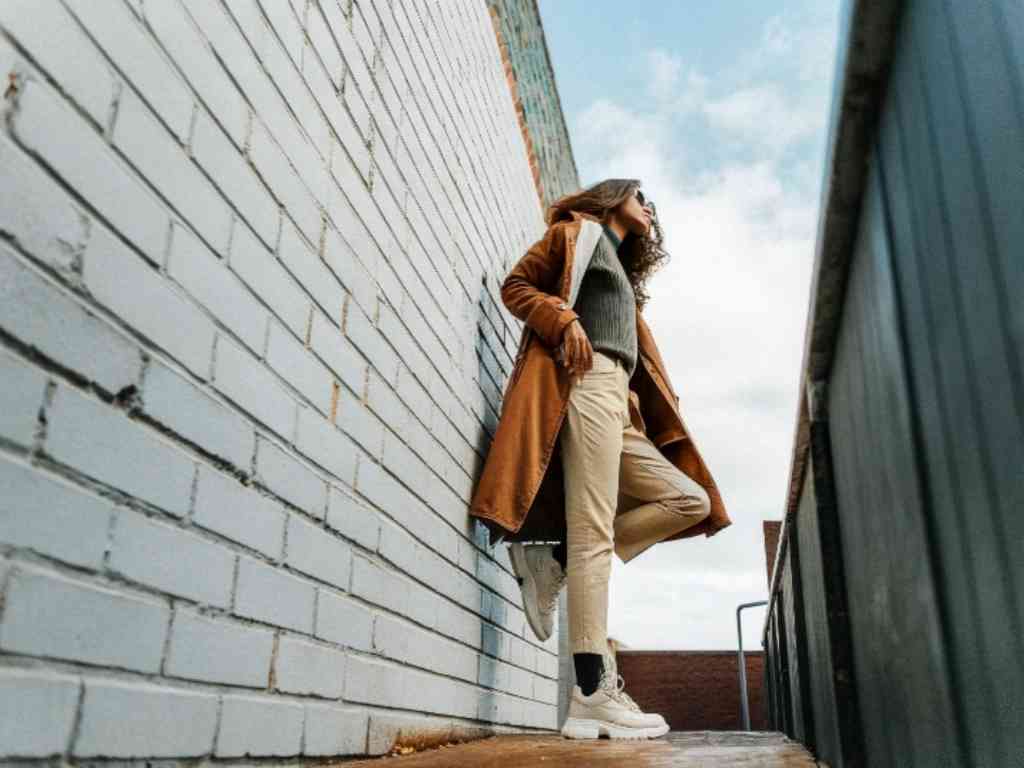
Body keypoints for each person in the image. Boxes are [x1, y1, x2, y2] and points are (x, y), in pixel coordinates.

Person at [496, 179, 721, 740]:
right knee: (594, 531)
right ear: (613, 196)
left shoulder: (617, 267)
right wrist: (563, 319)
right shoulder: (577, 234)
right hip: (587, 380)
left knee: (689, 500)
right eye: (640, 197)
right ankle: (592, 694)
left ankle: (554, 561)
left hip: (619, 401)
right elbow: (517, 286)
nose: (648, 208)